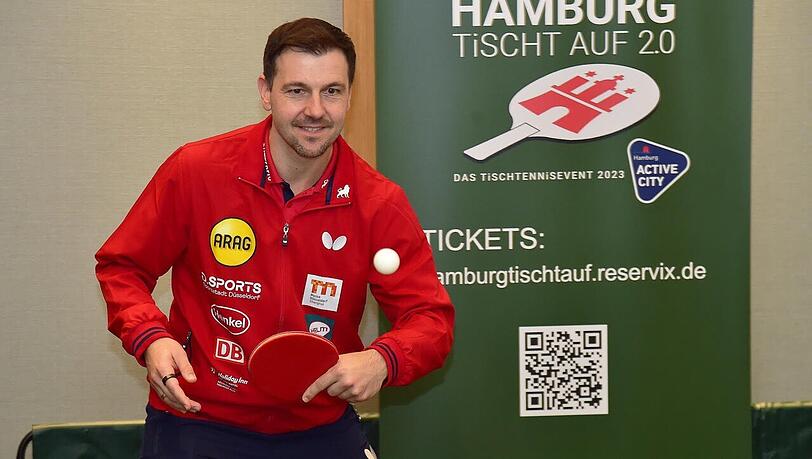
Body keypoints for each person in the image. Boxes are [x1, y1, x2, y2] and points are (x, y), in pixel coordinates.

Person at [95, 17, 454, 458]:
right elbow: (122, 266)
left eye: (332, 91)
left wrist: (384, 359)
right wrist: (152, 337)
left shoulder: (378, 202)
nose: (316, 110)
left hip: (319, 427)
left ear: (349, 96)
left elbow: (431, 320)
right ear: (266, 92)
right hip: (197, 420)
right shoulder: (196, 172)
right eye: (297, 90)